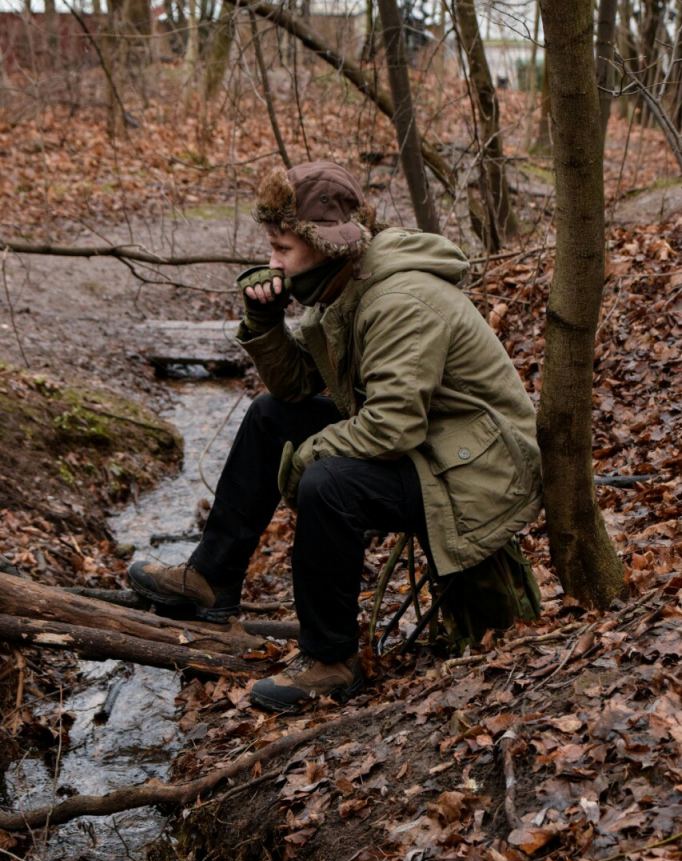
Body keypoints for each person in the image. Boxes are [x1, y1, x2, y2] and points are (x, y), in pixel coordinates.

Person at [128, 160, 542, 712]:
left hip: (475, 472)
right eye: (271, 247)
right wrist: (265, 322)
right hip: (432, 447)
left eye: (282, 249)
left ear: (326, 244)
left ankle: (332, 660)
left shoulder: (399, 301)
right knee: (270, 416)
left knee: (329, 483)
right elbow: (298, 387)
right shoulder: (343, 287)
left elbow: (393, 425)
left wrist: (308, 459)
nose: (271, 261)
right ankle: (211, 579)